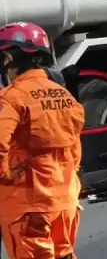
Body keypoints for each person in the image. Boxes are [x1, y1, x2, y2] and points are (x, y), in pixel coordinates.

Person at [0, 22, 85, 259]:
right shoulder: (64, 95)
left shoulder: (12, 97)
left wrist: (5, 177)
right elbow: (74, 145)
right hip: (65, 201)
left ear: (8, 58)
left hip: (27, 206)